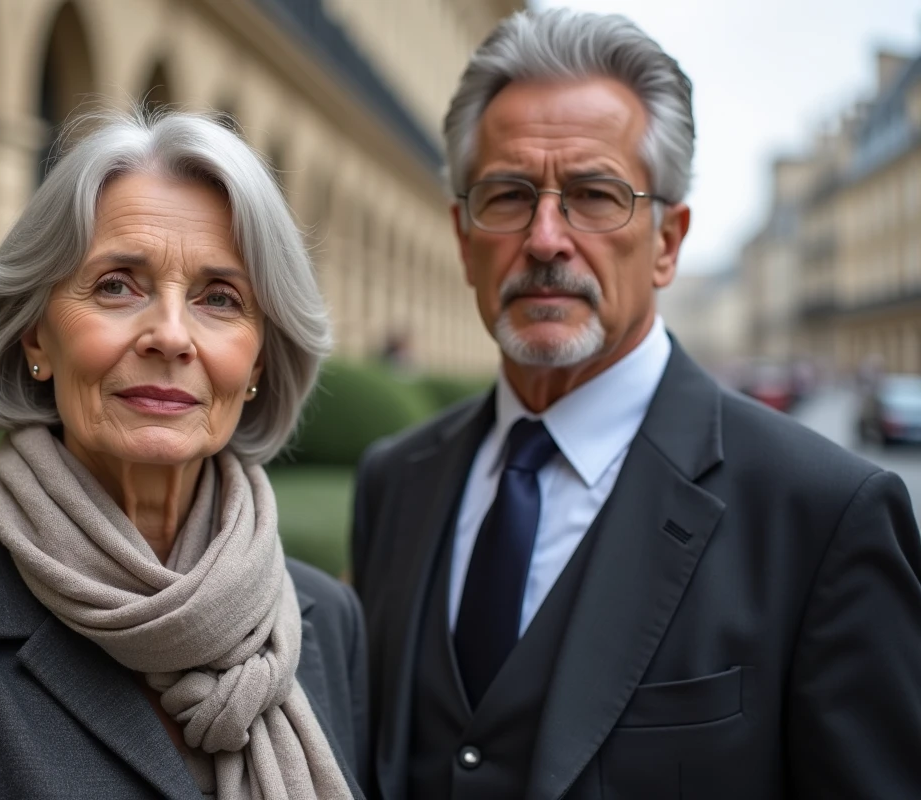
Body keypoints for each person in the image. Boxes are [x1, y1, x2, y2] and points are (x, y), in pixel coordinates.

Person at [351, 9, 921, 800]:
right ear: (463, 236)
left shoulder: (822, 518)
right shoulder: (394, 482)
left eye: (593, 194)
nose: (546, 237)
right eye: (509, 196)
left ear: (667, 242)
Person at [0, 110, 367, 800]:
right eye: (117, 285)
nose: (171, 336)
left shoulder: (327, 622)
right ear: (35, 338)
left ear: (260, 358)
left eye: (220, 298)